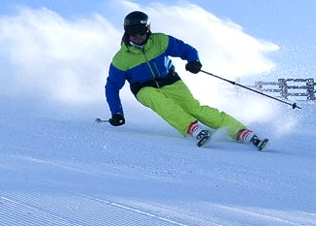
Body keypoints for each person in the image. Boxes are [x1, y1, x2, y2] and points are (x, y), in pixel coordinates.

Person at [104, 10, 268, 150]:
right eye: (132, 32)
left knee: (194, 108)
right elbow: (112, 87)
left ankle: (241, 131)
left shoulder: (161, 40)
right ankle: (191, 128)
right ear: (126, 32)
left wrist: (193, 61)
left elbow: (186, 49)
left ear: (148, 29)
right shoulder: (121, 59)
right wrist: (116, 112)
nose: (137, 36)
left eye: (141, 31)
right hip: (143, 88)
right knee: (159, 101)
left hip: (170, 81)